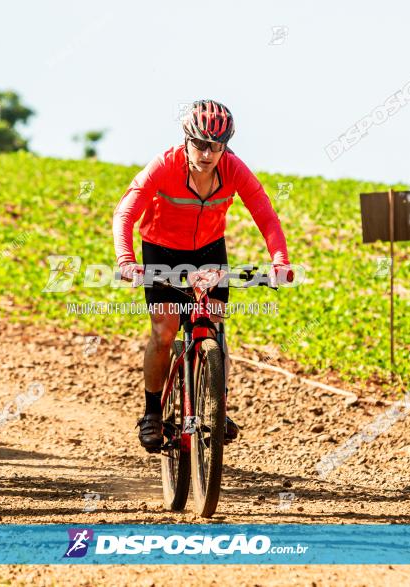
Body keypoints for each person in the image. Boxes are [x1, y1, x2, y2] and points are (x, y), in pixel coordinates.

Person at [112, 99, 293, 452]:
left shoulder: (234, 169)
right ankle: (152, 413)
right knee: (164, 331)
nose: (208, 153)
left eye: (217, 145)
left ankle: (215, 405)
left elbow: (266, 215)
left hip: (209, 250)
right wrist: (126, 259)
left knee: (213, 326)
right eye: (200, 144)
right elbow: (125, 213)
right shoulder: (164, 166)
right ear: (186, 139)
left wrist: (280, 260)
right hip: (160, 248)